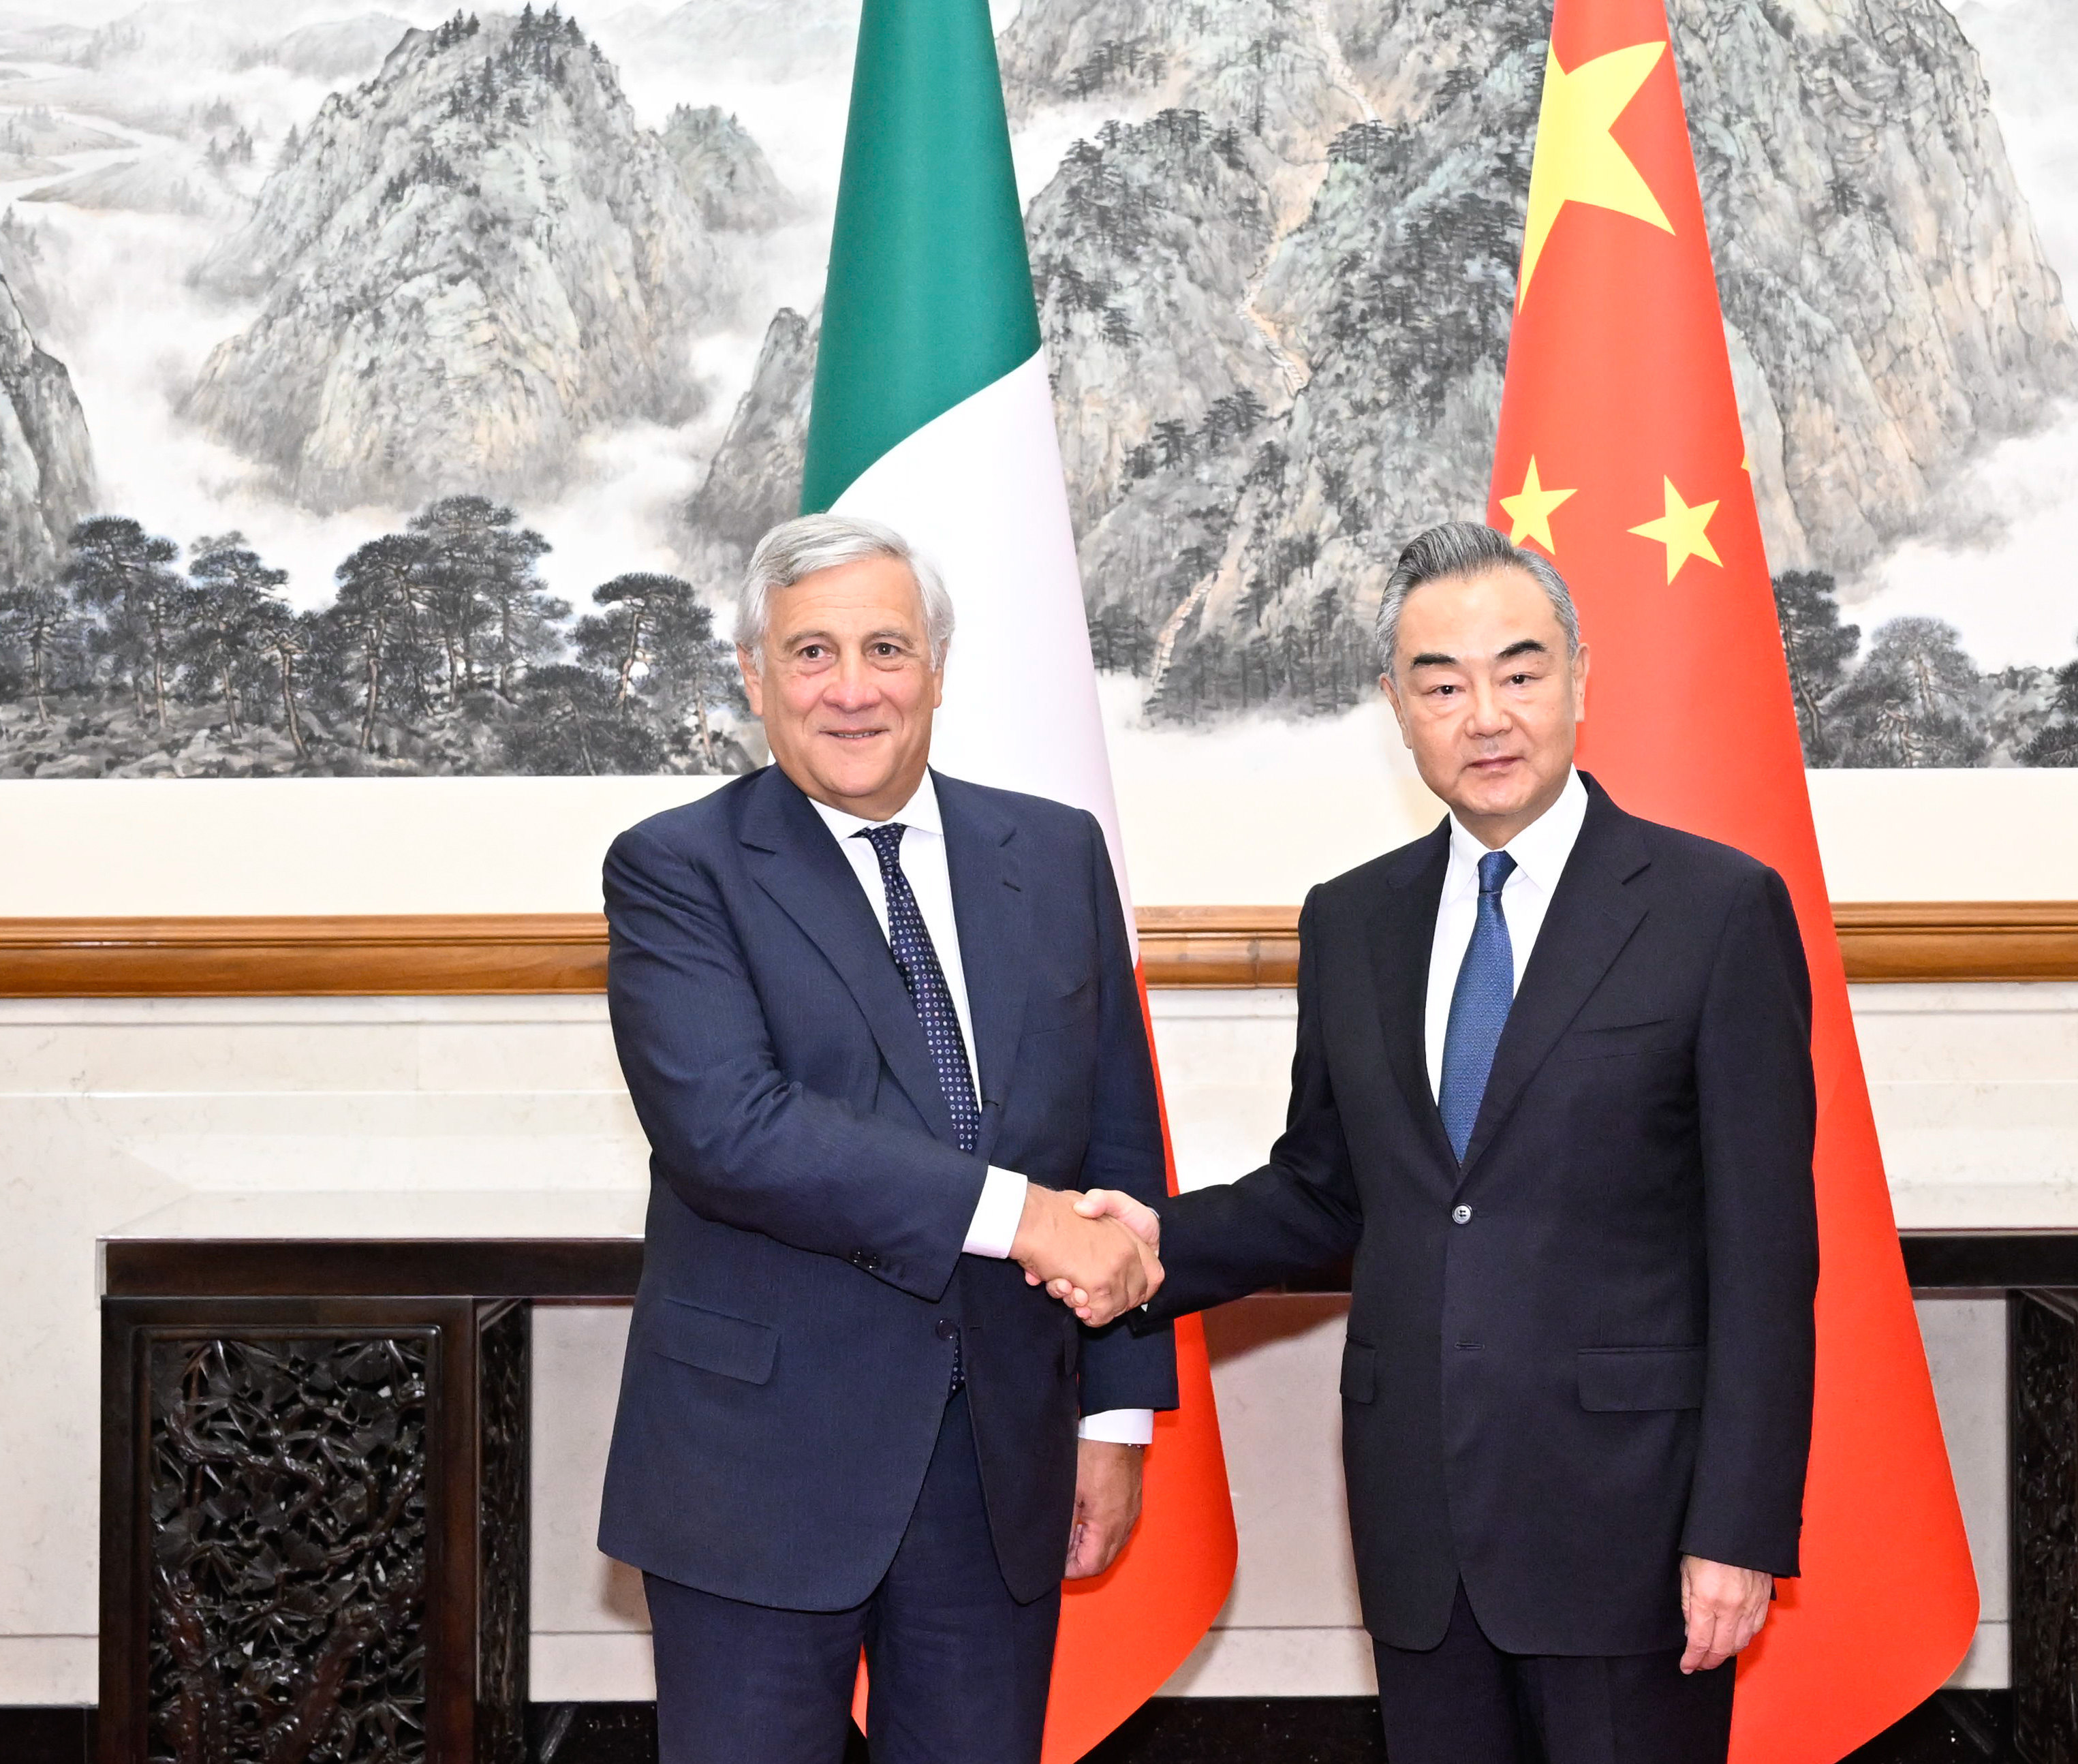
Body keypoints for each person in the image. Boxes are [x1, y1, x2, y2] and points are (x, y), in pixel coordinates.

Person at [1064, 523, 1818, 1763]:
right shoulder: (1352, 920)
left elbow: (1767, 1256)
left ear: (1582, 674)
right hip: (1423, 1520)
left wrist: (1736, 1526)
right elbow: (1325, 1188)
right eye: (1442, 682)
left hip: (1633, 1525)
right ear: (1395, 709)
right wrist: (1156, 1242)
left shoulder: (1716, 910)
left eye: (1520, 673)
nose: (1486, 716)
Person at [595, 512, 1173, 1764]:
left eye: (885, 648)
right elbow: (732, 1130)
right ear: (754, 676)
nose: (850, 690)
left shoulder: (1057, 852)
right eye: (810, 653)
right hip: (759, 1470)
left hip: (999, 1460)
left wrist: (1114, 1421)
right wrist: (1019, 1213)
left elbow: (1118, 1138)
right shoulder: (676, 870)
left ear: (938, 669)